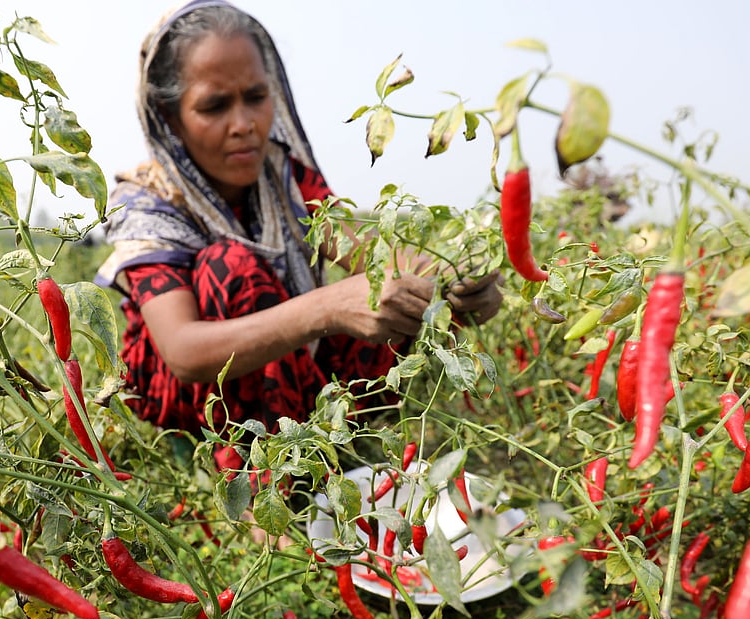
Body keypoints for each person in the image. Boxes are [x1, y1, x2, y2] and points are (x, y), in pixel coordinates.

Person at [96, 0, 503, 446]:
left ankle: (324, 451)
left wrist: (452, 283)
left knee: (391, 296)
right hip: (193, 403)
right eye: (215, 106)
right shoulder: (147, 201)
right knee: (230, 266)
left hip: (286, 374)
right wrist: (325, 308)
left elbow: (380, 259)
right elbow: (184, 353)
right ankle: (258, 489)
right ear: (171, 115)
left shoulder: (285, 176)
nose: (244, 124)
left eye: (255, 97)